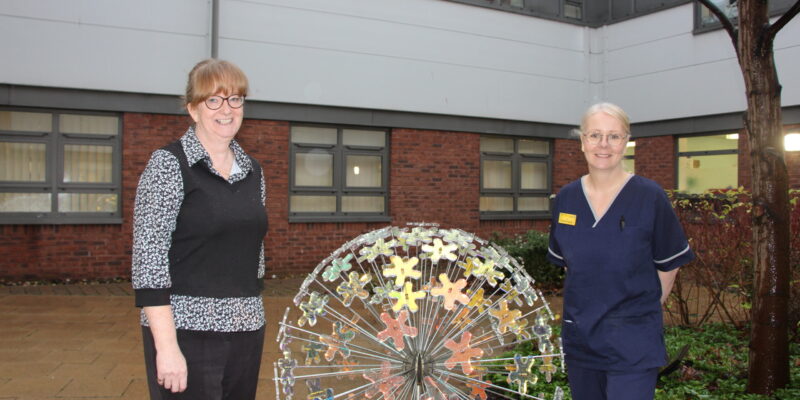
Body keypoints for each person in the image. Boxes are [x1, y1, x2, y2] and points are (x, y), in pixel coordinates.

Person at [132, 59, 267, 399]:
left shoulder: (253, 170)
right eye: (214, 100)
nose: (227, 109)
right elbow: (148, 262)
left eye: (235, 98)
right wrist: (167, 348)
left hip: (246, 332)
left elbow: (255, 255)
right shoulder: (168, 165)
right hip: (186, 334)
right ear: (193, 109)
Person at [547, 102, 694, 400]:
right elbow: (570, 266)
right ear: (582, 142)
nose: (604, 144)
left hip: (633, 339)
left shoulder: (649, 196)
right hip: (582, 337)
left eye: (613, 136)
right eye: (595, 135)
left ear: (626, 141)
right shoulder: (566, 199)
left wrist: (641, 311)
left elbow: (669, 265)